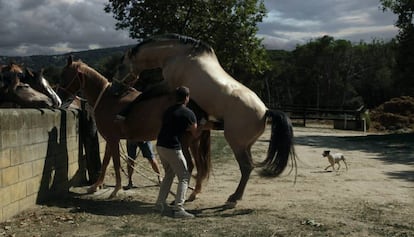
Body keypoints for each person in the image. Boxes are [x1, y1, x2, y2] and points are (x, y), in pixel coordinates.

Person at [155, 86, 203, 218]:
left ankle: (160, 203)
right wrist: (203, 125)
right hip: (172, 147)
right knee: (184, 176)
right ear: (187, 98)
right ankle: (178, 208)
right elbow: (195, 134)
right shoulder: (189, 113)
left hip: (160, 145)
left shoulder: (167, 111)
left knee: (169, 174)